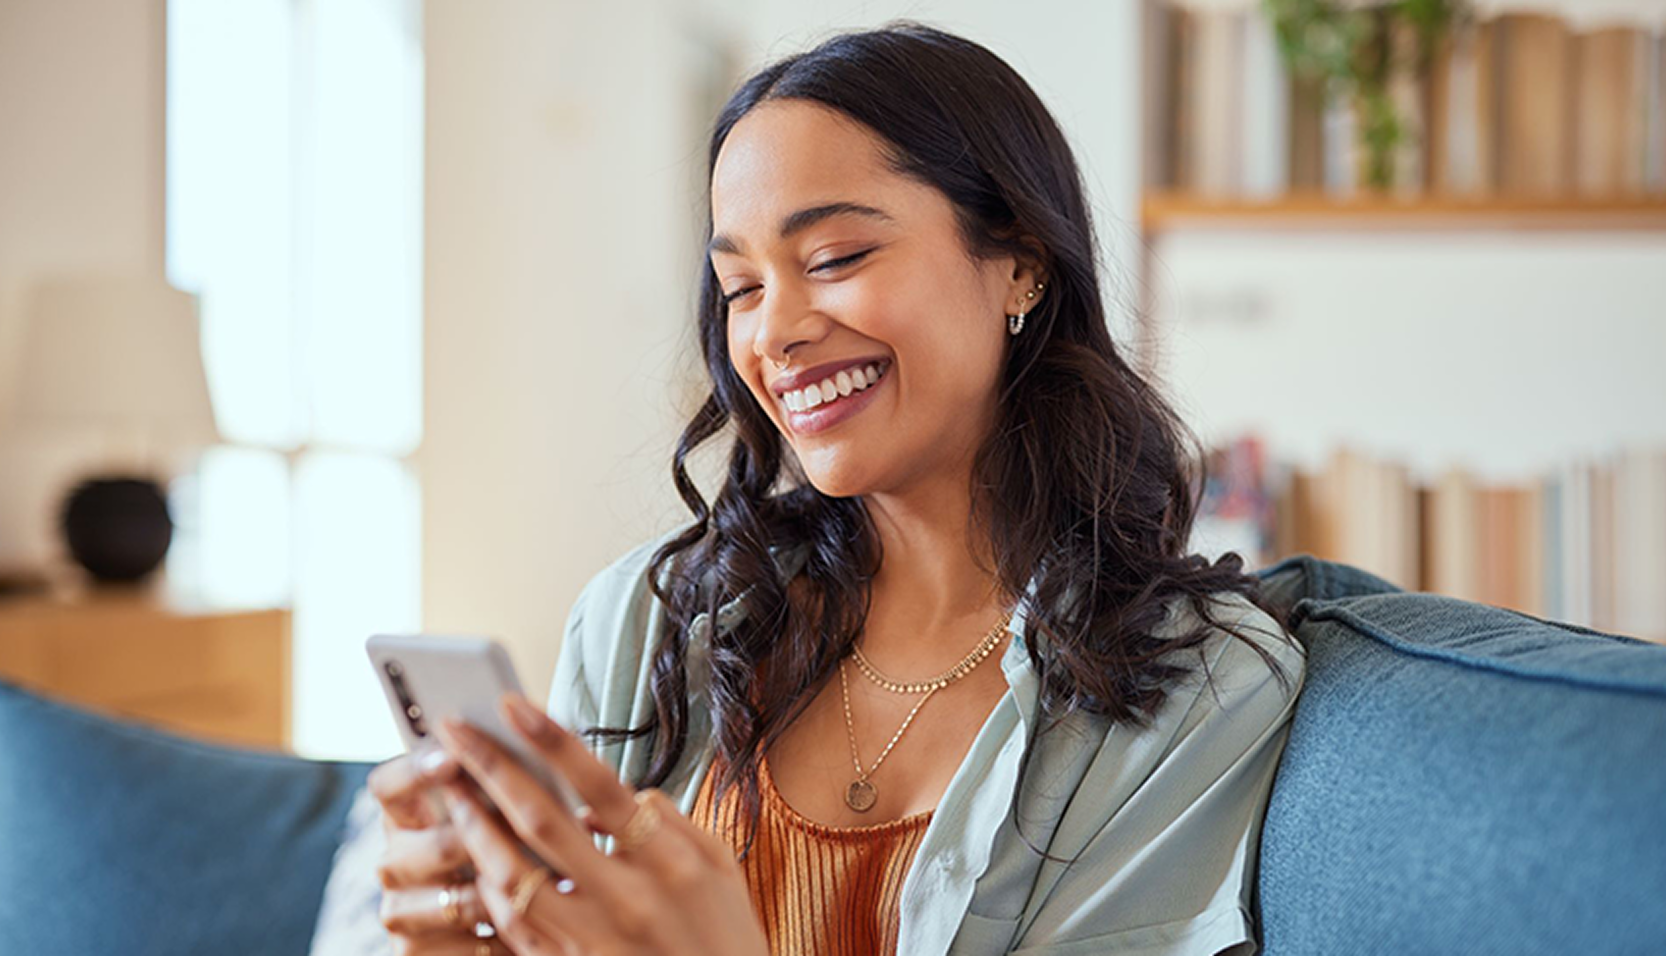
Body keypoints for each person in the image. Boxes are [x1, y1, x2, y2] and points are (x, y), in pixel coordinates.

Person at [367, 20, 1306, 956]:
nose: (774, 334)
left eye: (834, 259)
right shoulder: (649, 622)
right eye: (739, 288)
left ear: (1020, 262)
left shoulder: (1199, 688)